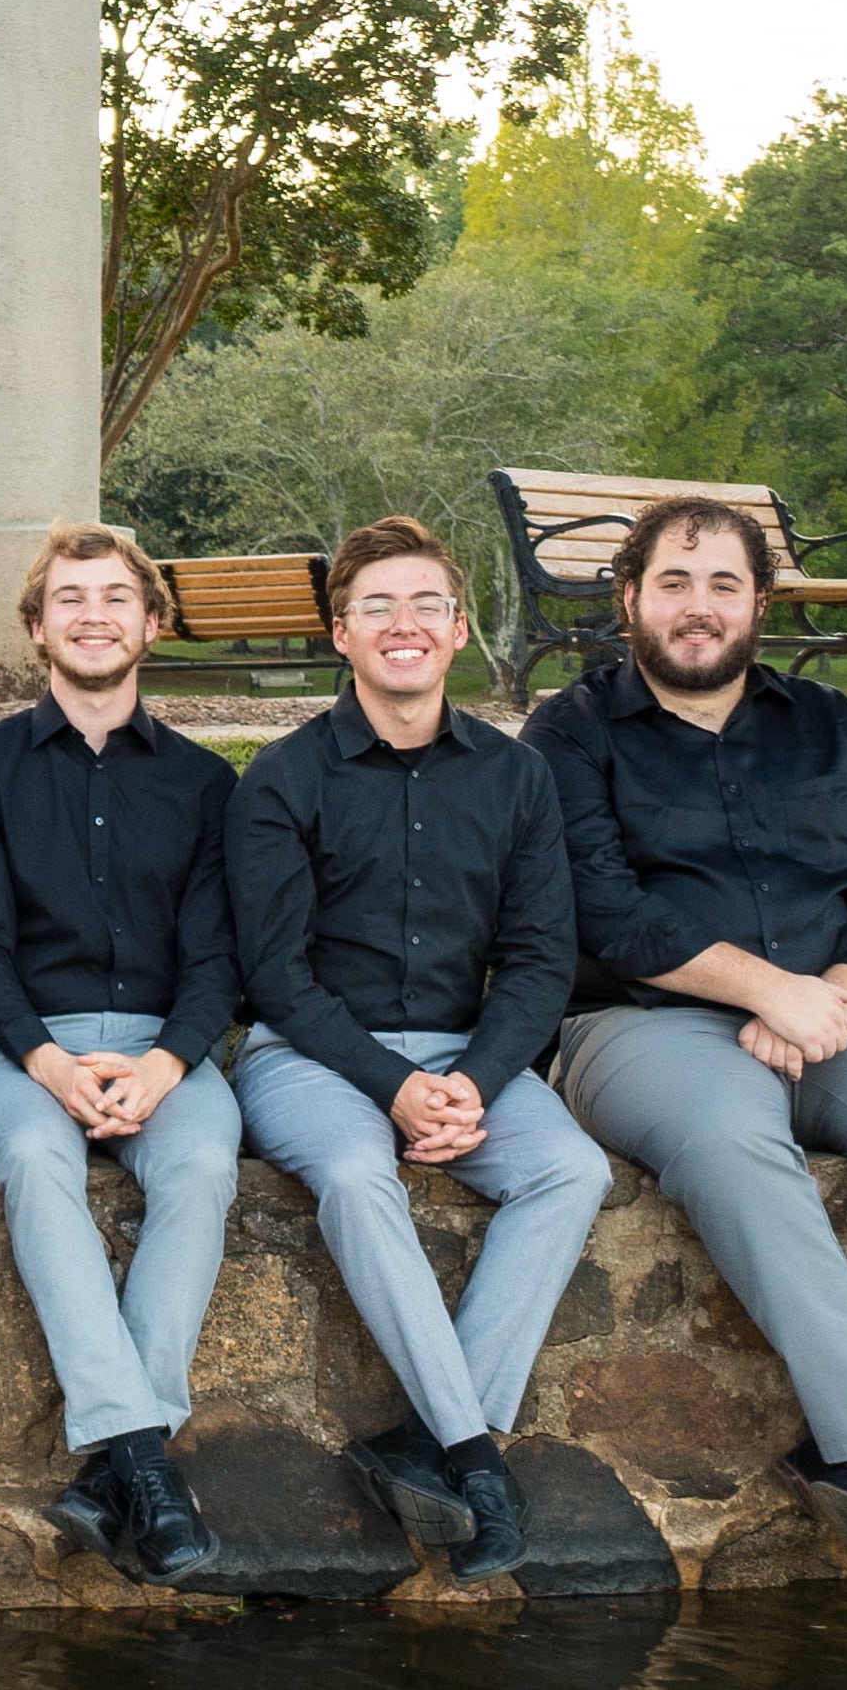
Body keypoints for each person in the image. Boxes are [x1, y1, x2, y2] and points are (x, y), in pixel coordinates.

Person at [531, 498, 847, 1576]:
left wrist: (834, 996)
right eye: (674, 582)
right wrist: (766, 989)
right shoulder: (570, 731)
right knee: (731, 1143)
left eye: (723, 584)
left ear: (760, 603)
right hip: (644, 1017)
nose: (698, 607)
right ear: (629, 599)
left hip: (837, 1008)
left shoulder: (832, 725)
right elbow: (601, 906)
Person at [224, 514, 602, 1583]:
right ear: (340, 634)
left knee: (570, 1168)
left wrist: (474, 1080)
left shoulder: (515, 777)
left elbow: (539, 961)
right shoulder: (284, 779)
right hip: (313, 1056)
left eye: (427, 603)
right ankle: (478, 1453)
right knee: (352, 1171)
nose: (405, 625)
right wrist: (395, 1087)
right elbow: (276, 976)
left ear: (459, 626)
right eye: (377, 606)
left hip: (470, 1053)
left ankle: (430, 1440)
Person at [0, 520, 240, 1587]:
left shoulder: (206, 784)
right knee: (36, 1160)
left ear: (152, 622)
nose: (94, 614)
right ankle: (148, 1459)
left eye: (116, 596)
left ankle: (117, 1463)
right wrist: (47, 1062)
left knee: (203, 1164)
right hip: (19, 1053)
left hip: (167, 1050)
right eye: (72, 598)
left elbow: (217, 955)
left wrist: (167, 1065)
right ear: (37, 627)